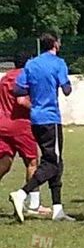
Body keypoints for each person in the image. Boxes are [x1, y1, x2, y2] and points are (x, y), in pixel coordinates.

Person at [8, 33, 74, 222]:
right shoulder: (58, 63)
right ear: (55, 44)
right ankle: (22, 193)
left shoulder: (31, 64)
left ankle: (57, 208)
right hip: (51, 117)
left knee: (54, 160)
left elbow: (18, 89)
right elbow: (67, 90)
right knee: (53, 163)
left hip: (35, 118)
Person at [0, 52, 49, 217]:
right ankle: (34, 204)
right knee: (32, 162)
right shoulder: (25, 77)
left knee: (5, 162)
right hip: (21, 125)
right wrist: (39, 108)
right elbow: (22, 101)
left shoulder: (4, 78)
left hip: (2, 124)